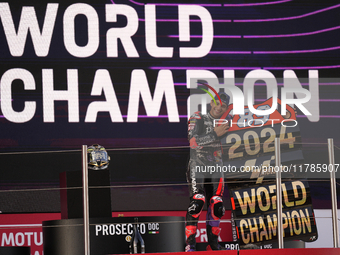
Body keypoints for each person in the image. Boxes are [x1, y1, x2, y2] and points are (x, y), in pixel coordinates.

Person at [185, 91, 231, 252]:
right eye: (217, 103)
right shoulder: (198, 117)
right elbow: (192, 142)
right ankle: (190, 246)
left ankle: (214, 246)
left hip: (217, 165)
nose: (219, 107)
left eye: (223, 106)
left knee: (217, 205)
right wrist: (214, 134)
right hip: (197, 163)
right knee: (197, 202)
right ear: (211, 103)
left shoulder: (228, 122)